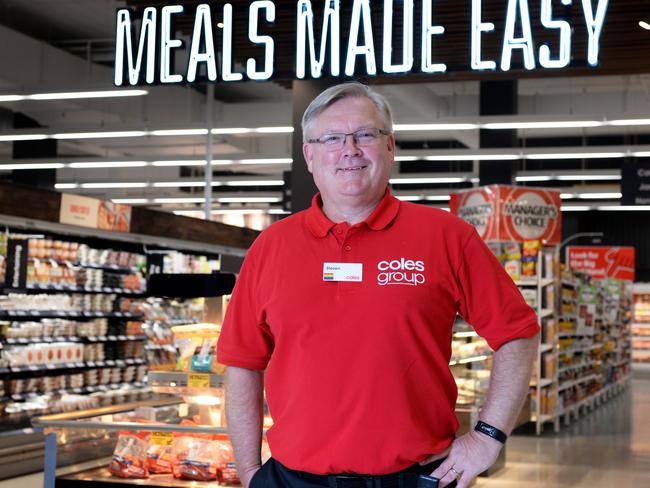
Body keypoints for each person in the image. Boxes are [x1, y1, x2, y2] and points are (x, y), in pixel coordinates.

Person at [217, 82, 540, 488]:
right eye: (332, 138)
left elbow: (519, 333)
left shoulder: (447, 237)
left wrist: (487, 437)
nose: (349, 150)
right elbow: (243, 363)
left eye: (366, 134)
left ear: (390, 146)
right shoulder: (271, 247)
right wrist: (248, 471)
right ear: (309, 155)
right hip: (292, 479)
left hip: (416, 478)